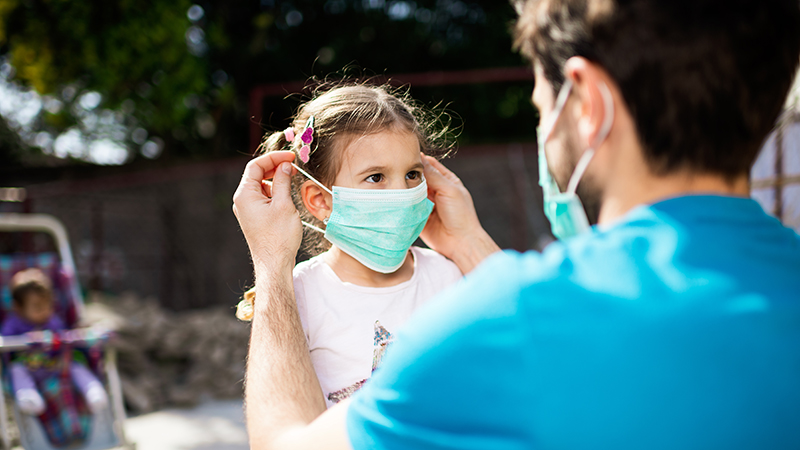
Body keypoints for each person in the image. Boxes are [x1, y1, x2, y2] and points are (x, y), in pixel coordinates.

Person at [231, 0, 800, 449]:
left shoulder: (508, 320)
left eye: (540, 101)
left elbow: (287, 445)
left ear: (588, 104)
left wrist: (271, 267)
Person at [235, 85, 462, 407]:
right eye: (376, 177)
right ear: (320, 201)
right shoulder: (296, 296)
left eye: (412, 174)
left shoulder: (448, 276)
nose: (402, 191)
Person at [2, 268, 108, 416]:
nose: (45, 311)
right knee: (16, 371)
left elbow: (63, 337)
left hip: (53, 365)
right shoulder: (13, 324)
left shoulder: (53, 321)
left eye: (48, 305)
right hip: (29, 366)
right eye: (38, 307)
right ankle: (28, 397)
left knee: (74, 365)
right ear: (18, 308)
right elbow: (5, 342)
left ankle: (93, 390)